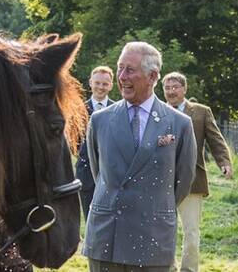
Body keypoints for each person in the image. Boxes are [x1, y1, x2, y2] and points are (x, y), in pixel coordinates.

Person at [83, 42, 197, 272]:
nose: (122, 77)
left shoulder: (179, 123)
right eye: (120, 68)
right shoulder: (99, 121)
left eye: (130, 70)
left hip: (153, 236)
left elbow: (183, 180)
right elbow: (99, 174)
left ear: (152, 76)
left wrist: (152, 206)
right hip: (107, 237)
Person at [162, 72, 233, 272]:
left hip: (193, 181)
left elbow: (215, 139)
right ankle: (167, 268)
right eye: (167, 88)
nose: (171, 91)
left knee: (191, 232)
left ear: (184, 89)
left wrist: (224, 161)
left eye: (175, 87)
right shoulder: (156, 111)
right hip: (161, 181)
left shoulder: (201, 112)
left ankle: (189, 269)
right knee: (163, 230)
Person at [76, 65, 114, 221]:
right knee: (90, 219)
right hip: (85, 174)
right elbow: (74, 142)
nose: (100, 87)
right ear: (90, 82)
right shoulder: (78, 109)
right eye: (97, 83)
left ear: (111, 86)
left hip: (112, 174)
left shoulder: (118, 109)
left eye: (105, 84)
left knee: (110, 219)